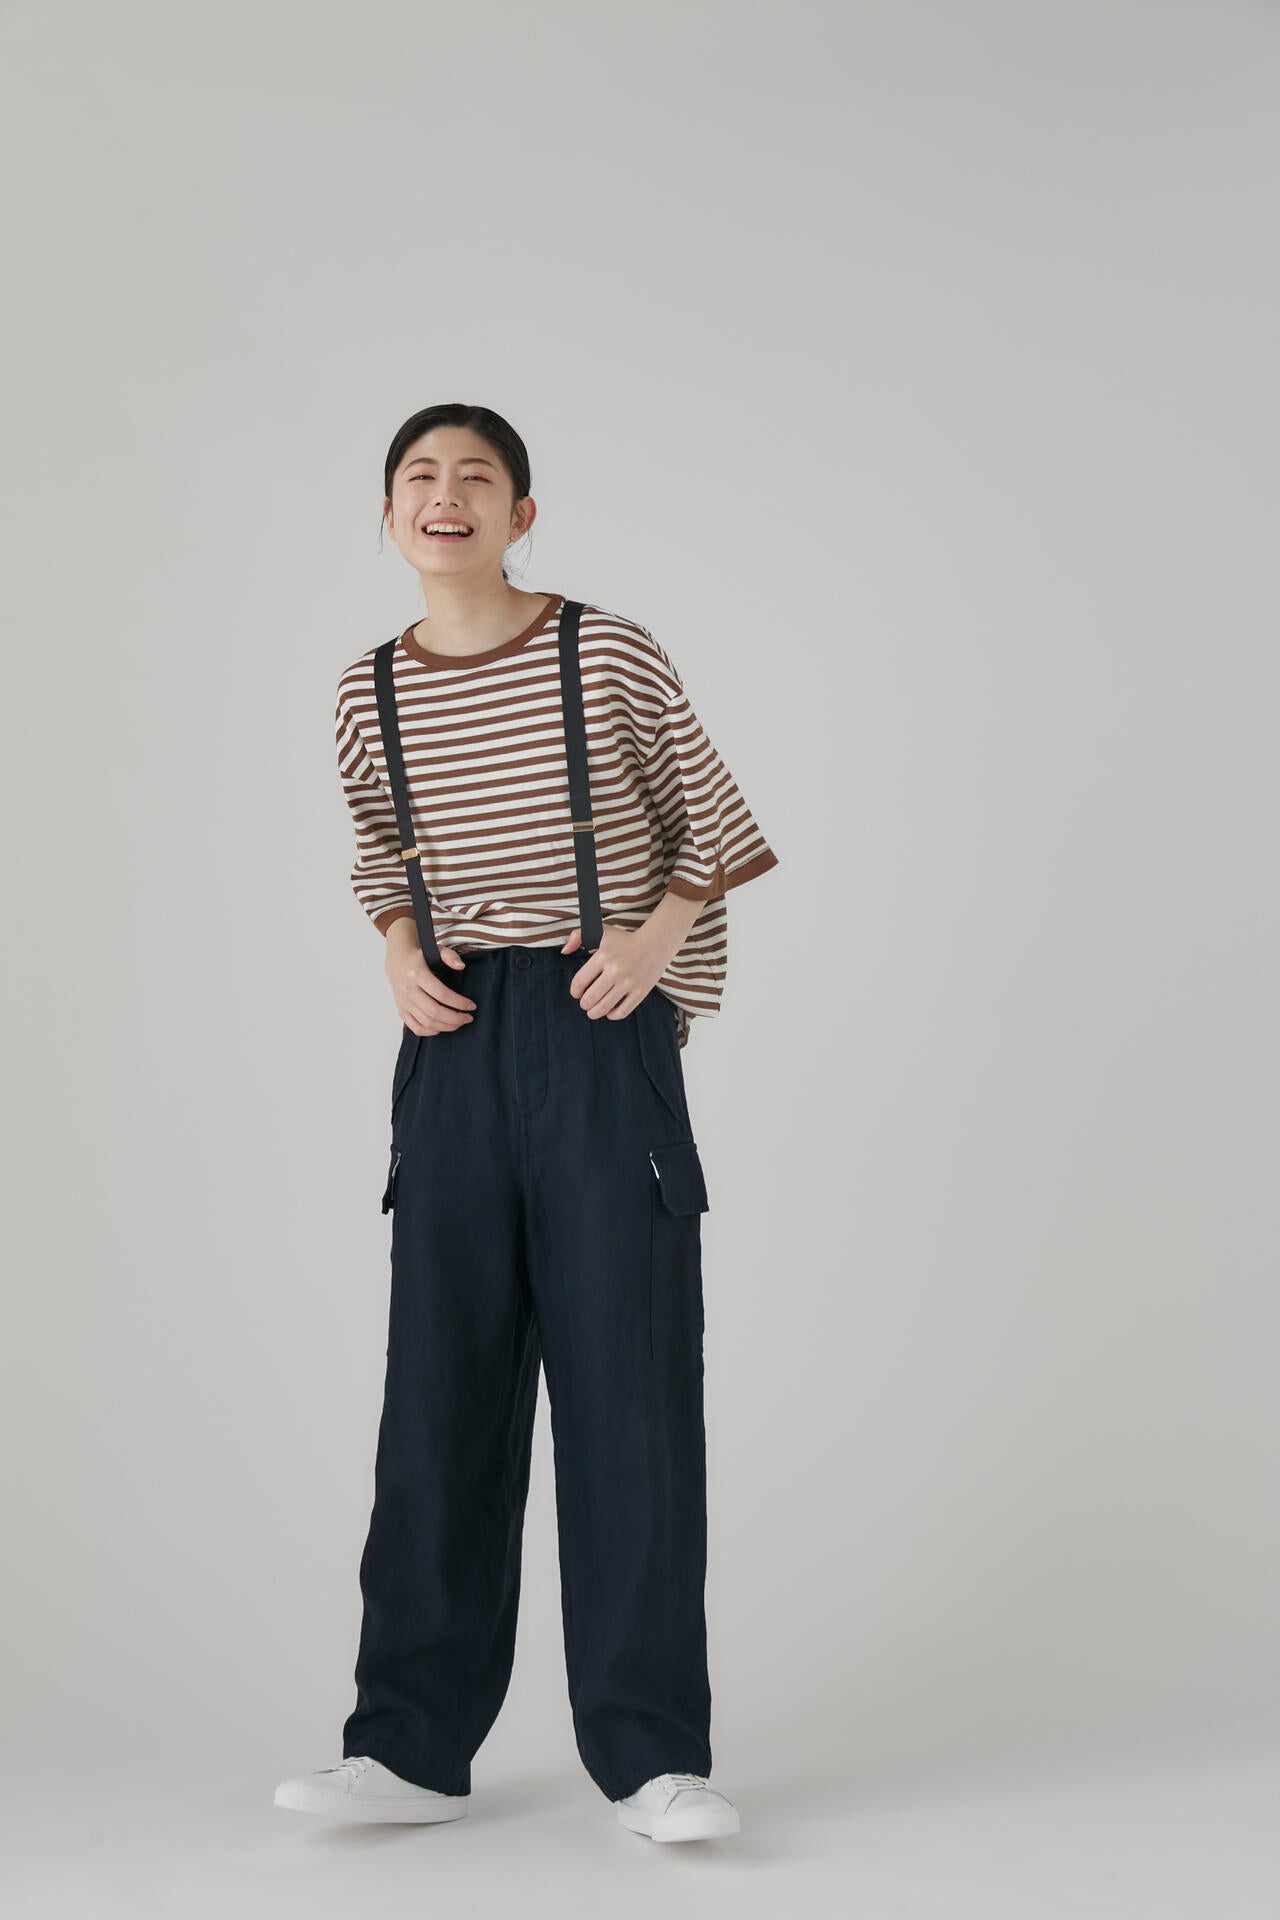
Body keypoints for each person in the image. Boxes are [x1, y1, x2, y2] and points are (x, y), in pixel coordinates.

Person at [274, 403, 778, 1844]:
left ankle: (652, 1758)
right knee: (438, 1393)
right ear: (389, 515)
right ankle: (408, 1749)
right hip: (452, 1045)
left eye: (476, 476)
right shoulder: (367, 687)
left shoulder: (601, 651)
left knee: (628, 1393)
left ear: (522, 514)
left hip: (601, 1028)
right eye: (419, 478)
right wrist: (394, 949)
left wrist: (653, 941)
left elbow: (713, 818)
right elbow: (383, 850)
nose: (446, 496)